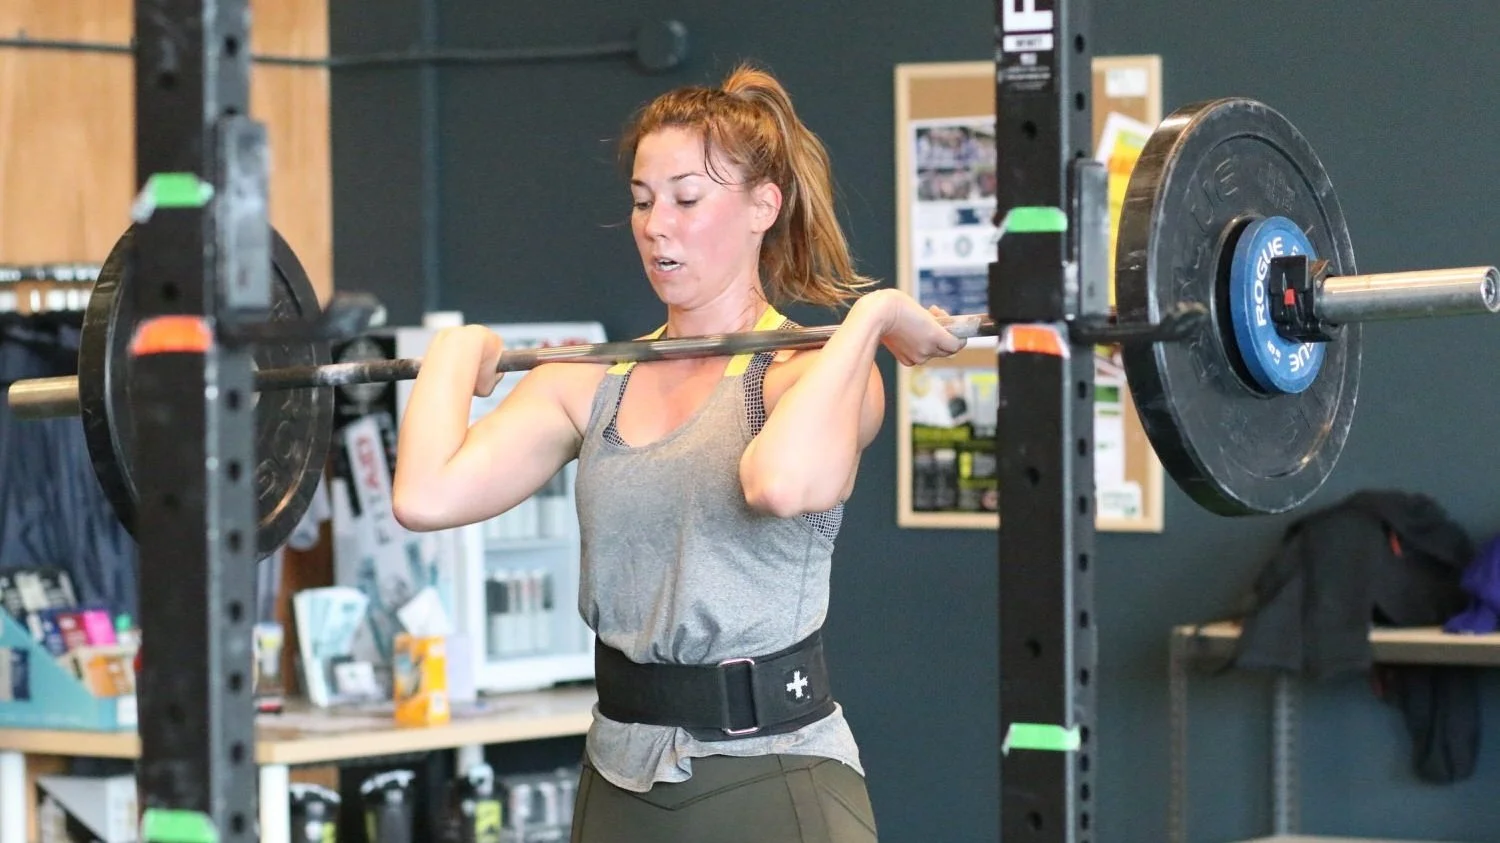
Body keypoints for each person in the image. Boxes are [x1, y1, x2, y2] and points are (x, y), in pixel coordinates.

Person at [391, 62, 968, 843]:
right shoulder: (590, 380)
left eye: (687, 199)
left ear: (763, 206)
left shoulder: (810, 373)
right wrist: (455, 352)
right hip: (617, 776)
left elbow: (780, 482)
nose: (656, 223)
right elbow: (425, 496)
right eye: (642, 200)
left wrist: (872, 317)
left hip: (772, 773)